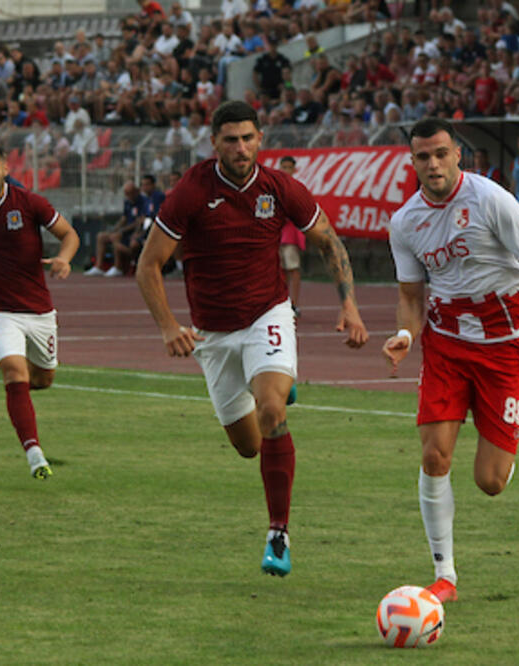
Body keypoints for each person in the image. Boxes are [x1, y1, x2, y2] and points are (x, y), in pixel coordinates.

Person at [135, 101, 368, 577]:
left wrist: (349, 304)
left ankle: (278, 534)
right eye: (230, 140)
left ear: (261, 138)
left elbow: (328, 240)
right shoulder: (192, 191)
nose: (240, 148)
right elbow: (148, 265)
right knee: (247, 445)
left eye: (247, 138)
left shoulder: (279, 187)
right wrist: (168, 326)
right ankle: (274, 383)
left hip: (268, 313)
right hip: (213, 333)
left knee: (271, 412)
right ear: (214, 143)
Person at [381, 118, 519, 604]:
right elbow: (410, 296)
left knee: (489, 482)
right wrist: (407, 333)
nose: (433, 164)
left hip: (506, 346)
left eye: (441, 154)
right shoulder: (405, 222)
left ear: (457, 156)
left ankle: (504, 440)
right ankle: (444, 576)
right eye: (423, 157)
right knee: (434, 455)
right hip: (447, 345)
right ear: (413, 162)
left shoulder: (490, 199)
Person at [0, 143, 80, 479]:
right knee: (13, 372)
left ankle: (17, 397)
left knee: (43, 379)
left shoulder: (30, 203)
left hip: (39, 311)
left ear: (5, 168)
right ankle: (35, 454)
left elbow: (69, 234)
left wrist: (64, 258)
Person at [84, 182, 148, 277]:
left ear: (135, 192)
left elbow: (139, 222)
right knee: (101, 236)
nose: (127, 196)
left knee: (115, 237)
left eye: (129, 193)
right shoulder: (127, 202)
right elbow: (124, 219)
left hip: (133, 232)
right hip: (124, 231)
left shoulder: (143, 201)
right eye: (126, 193)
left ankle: (118, 267)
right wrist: (115, 229)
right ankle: (98, 266)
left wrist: (122, 230)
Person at [277, 156, 306, 316]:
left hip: (290, 235)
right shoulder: (275, 186)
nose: (286, 170)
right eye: (284, 167)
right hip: (276, 235)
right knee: (279, 271)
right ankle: (281, 302)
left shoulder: (296, 188)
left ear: (294, 170)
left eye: (289, 167)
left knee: (293, 268)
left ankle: (294, 303)